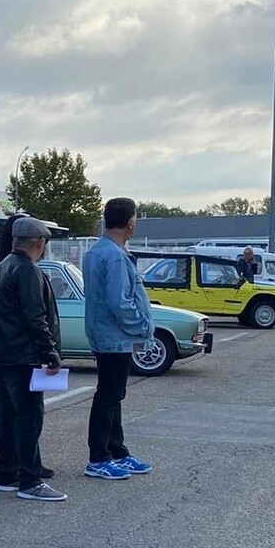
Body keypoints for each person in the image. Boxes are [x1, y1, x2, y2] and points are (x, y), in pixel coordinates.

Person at [0, 216, 65, 502]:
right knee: (29, 417)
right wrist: (50, 354)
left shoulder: (2, 267)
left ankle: (7, 474)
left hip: (3, 355)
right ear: (39, 242)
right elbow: (35, 317)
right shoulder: (27, 271)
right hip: (22, 355)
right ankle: (30, 481)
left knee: (9, 418)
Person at [81, 197, 154, 482]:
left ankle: (117, 451)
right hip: (114, 337)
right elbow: (119, 302)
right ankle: (98, 458)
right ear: (130, 222)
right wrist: (141, 327)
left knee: (113, 396)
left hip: (107, 335)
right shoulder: (112, 255)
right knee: (108, 396)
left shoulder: (97, 251)